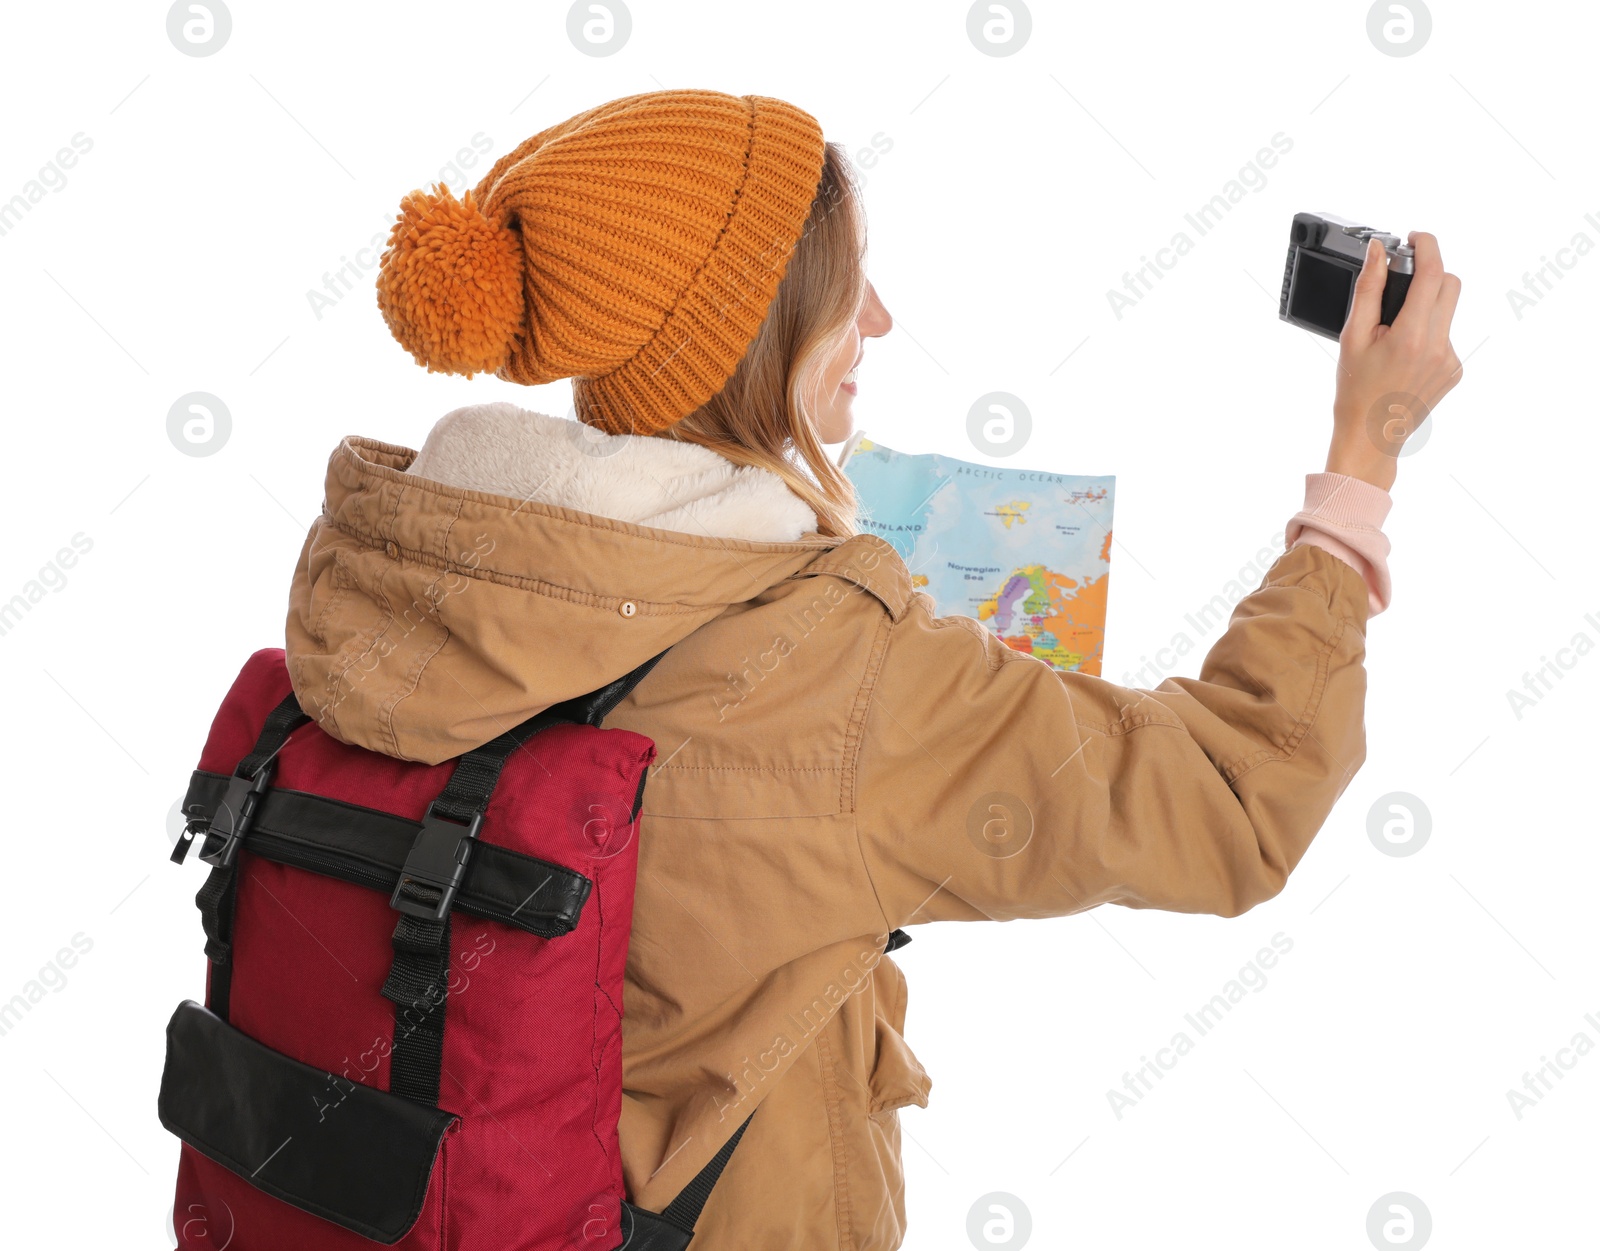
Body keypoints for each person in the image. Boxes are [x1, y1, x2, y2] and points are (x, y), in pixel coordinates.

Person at [283, 88, 1463, 1250]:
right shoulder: (843, 671)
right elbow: (1235, 797)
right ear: (754, 326)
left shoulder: (393, 585)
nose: (882, 321)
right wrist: (1363, 459)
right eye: (848, 285)